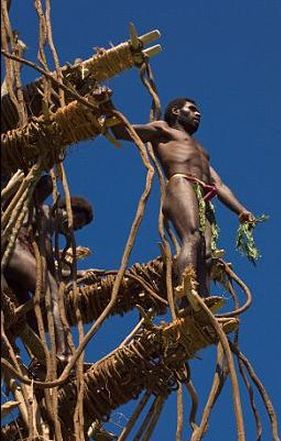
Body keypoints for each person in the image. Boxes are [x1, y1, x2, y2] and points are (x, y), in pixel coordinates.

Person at [111, 98, 254, 298]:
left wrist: (241, 210)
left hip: (201, 194)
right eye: (192, 109)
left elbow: (218, 185)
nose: (198, 114)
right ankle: (188, 291)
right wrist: (107, 105)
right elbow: (122, 131)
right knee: (192, 236)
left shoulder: (201, 150)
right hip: (181, 184)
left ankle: (201, 304)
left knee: (205, 253)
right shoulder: (163, 129)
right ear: (177, 111)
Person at [3, 175, 94, 362]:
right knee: (52, 295)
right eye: (77, 221)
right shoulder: (42, 212)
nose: (75, 228)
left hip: (12, 266)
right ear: (64, 209)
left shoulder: (45, 225)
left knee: (31, 319)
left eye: (80, 228)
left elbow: (49, 265)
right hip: (12, 250)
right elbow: (46, 260)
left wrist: (78, 276)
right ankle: (64, 352)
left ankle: (39, 358)